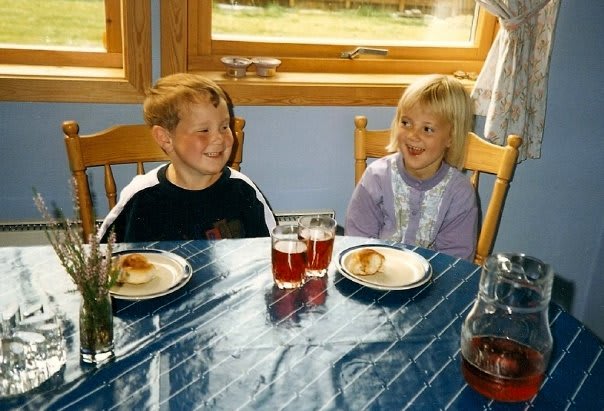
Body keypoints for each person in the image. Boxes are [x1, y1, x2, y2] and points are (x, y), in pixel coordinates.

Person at [99, 73, 276, 242]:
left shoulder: (243, 190)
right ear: (165, 138)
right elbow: (101, 256)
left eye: (224, 127)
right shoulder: (140, 196)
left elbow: (269, 252)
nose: (219, 138)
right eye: (204, 130)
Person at [345, 74, 478, 260]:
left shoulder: (459, 193)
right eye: (406, 123)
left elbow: (455, 262)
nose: (413, 135)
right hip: (377, 269)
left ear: (451, 137)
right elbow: (357, 240)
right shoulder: (377, 177)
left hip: (433, 276)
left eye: (427, 129)